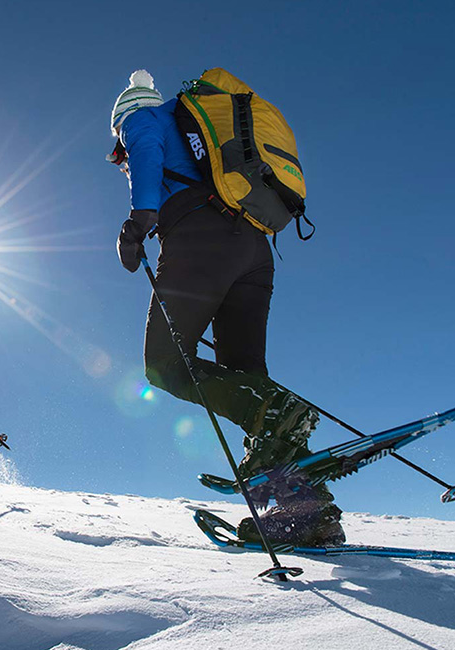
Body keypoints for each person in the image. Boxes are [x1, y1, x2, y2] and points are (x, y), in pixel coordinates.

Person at [109, 70, 344, 546]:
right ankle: (307, 512)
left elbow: (149, 153)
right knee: (247, 377)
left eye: (117, 151)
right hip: (255, 249)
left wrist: (140, 219)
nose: (120, 158)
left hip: (201, 239)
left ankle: (276, 415)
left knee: (165, 367)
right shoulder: (195, 122)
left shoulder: (142, 116)